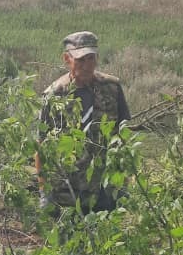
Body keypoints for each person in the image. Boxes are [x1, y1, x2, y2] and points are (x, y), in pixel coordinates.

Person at [37, 31, 130, 213]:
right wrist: (44, 193)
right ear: (67, 59)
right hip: (67, 191)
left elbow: (123, 136)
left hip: (105, 187)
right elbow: (41, 147)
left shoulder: (112, 88)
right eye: (80, 60)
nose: (87, 66)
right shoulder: (54, 96)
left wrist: (123, 181)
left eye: (91, 59)